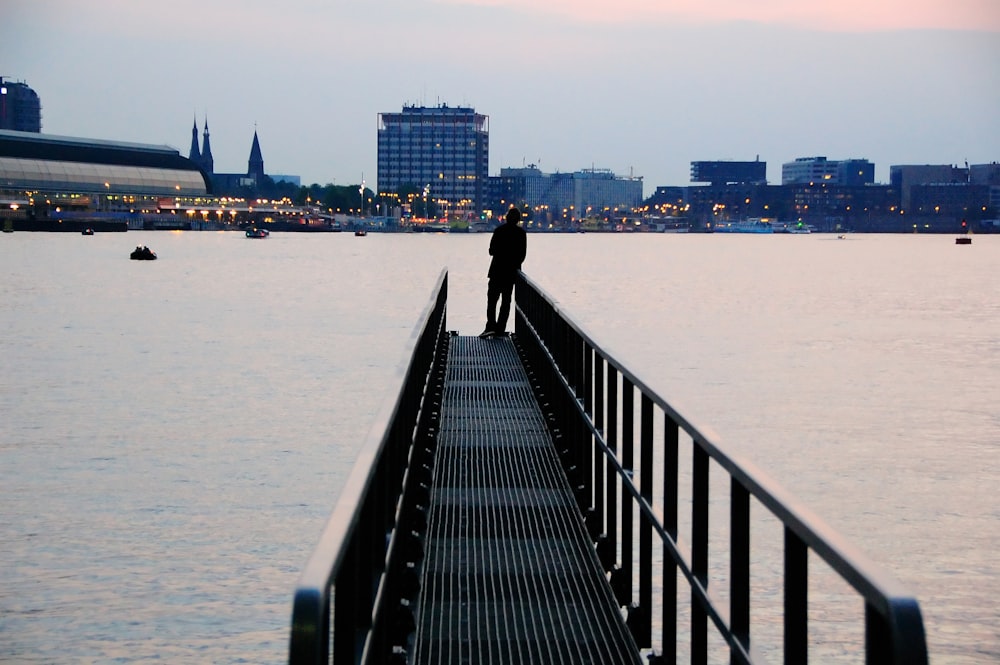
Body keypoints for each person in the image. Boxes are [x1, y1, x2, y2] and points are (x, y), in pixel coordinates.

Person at [479, 207, 527, 338]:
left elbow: (491, 251)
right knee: (506, 302)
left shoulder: (499, 231)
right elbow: (522, 255)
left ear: (506, 217)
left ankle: (490, 326)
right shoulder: (521, 234)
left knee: (492, 300)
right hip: (511, 273)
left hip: (496, 271)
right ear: (518, 220)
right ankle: (500, 329)